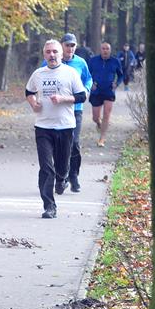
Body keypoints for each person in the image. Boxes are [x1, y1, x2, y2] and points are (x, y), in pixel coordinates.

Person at [26, 39, 87, 219]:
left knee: (61, 167)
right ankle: (49, 206)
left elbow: (82, 96)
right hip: (43, 127)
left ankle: (62, 179)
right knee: (46, 168)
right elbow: (29, 92)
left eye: (55, 52)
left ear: (61, 54)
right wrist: (33, 103)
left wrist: (63, 99)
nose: (51, 55)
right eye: (48, 52)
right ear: (44, 55)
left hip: (65, 126)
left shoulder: (70, 73)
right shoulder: (38, 74)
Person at [59, 33, 93, 193]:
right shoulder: (53, 60)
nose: (70, 48)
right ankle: (62, 176)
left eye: (73, 45)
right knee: (60, 144)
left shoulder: (80, 62)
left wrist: (86, 90)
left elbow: (88, 79)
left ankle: (73, 175)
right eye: (67, 45)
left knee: (74, 143)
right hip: (58, 109)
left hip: (76, 108)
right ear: (62, 46)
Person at [88, 42, 123, 147]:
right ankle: (98, 123)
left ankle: (102, 138)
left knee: (106, 115)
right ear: (100, 50)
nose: (105, 50)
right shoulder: (93, 61)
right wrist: (91, 84)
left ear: (110, 50)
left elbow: (121, 75)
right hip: (96, 91)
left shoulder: (115, 61)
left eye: (107, 49)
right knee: (95, 117)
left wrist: (116, 83)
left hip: (109, 91)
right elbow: (87, 75)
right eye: (103, 48)